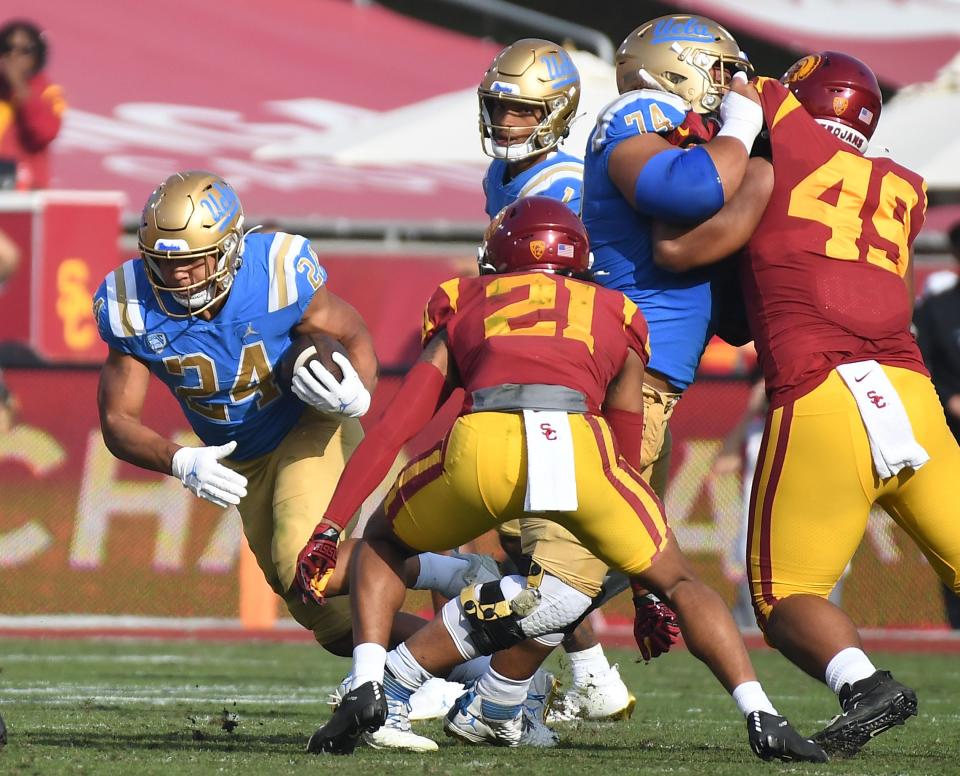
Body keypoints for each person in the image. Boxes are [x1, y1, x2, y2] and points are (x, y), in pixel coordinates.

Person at [297, 196, 826, 763]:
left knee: (383, 540)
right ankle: (762, 715)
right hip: (581, 447)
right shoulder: (616, 312)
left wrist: (331, 526)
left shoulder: (466, 299)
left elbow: (397, 426)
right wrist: (647, 590)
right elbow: (626, 455)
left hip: (486, 444)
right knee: (683, 582)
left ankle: (371, 685)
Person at [93, 170, 499, 752]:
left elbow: (353, 330)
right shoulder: (131, 302)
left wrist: (358, 393)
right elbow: (118, 421)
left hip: (307, 426)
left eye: (195, 260)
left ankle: (445, 577)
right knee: (331, 621)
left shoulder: (275, 273)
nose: (178, 275)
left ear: (231, 247)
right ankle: (470, 671)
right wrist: (179, 460)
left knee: (301, 565)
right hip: (242, 459)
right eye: (165, 260)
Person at [652, 52, 960, 757]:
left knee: (782, 595)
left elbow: (738, 96)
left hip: (824, 393)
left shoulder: (778, 129)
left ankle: (865, 686)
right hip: (911, 395)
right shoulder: (904, 188)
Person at [478, 38, 640, 723]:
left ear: (557, 112)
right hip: (528, 371)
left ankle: (480, 681)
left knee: (553, 547)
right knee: (516, 537)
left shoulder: (565, 184)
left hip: (568, 376)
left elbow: (573, 293)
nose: (507, 121)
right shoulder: (503, 178)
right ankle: (593, 675)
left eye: (521, 110)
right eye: (499, 106)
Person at [582, 13, 763, 500]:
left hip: (648, 389)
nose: (733, 86)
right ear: (679, 69)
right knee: (576, 567)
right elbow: (686, 191)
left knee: (641, 567)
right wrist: (744, 129)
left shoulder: (683, 138)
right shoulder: (640, 113)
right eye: (722, 71)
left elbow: (734, 322)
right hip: (623, 384)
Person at [913, 221, 960, 628]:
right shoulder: (936, 310)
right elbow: (918, 367)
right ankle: (956, 625)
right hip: (951, 439)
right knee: (952, 533)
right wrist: (950, 398)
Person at [0, 19, 65, 190]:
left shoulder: (48, 92)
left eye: (24, 51)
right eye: (7, 48)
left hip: (26, 191)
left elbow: (45, 131)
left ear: (37, 57)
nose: (14, 56)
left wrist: (19, 87)